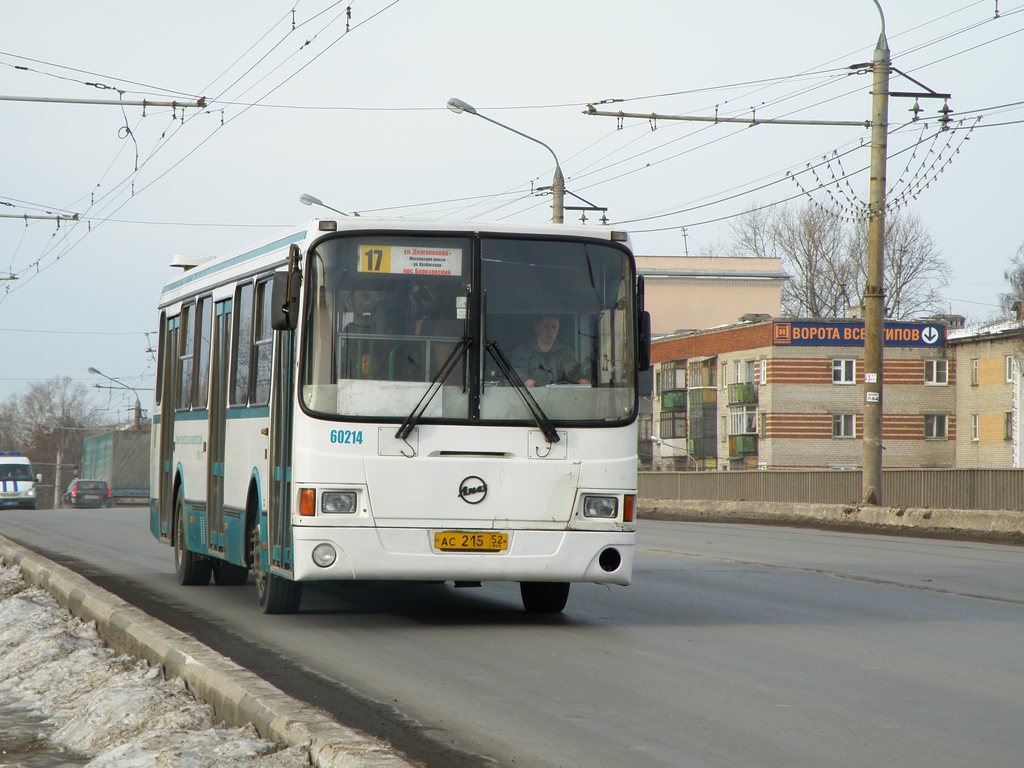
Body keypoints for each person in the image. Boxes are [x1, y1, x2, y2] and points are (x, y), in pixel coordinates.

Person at [510, 315, 589, 387]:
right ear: (537, 328)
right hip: (530, 397)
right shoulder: (522, 350)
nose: (550, 331)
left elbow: (571, 370)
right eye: (546, 326)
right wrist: (525, 380)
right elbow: (517, 371)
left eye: (554, 327)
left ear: (558, 330)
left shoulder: (565, 352)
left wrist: (580, 379)